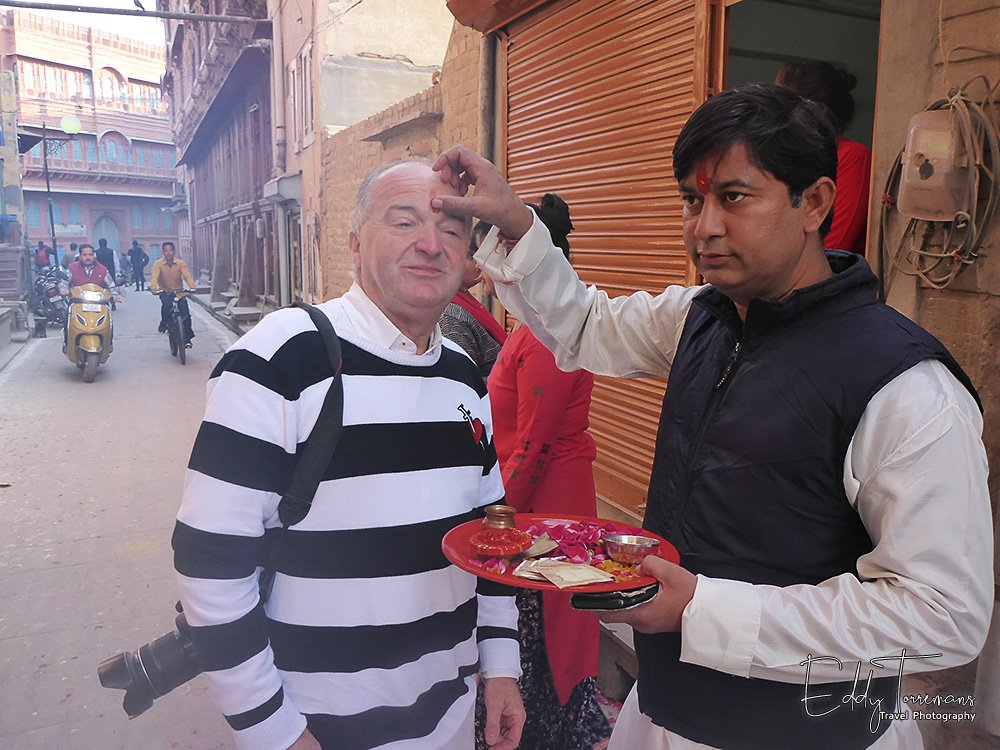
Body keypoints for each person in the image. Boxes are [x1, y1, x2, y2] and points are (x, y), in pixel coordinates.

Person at [431, 84, 993, 750]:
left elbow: (943, 616)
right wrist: (517, 223)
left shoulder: (904, 386)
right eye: (693, 201)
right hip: (666, 707)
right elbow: (585, 326)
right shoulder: (702, 319)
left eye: (735, 197)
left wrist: (703, 611)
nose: (705, 228)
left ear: (814, 202)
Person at [171, 158, 525, 750]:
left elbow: (493, 535)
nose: (430, 245)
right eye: (404, 222)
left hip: (451, 716)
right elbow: (210, 562)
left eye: (451, 230)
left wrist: (502, 667)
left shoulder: (464, 376)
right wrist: (272, 730)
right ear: (356, 245)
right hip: (319, 727)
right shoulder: (281, 358)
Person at [485, 192, 609, 750]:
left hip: (545, 511)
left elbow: (533, 446)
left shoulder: (545, 335)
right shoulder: (532, 325)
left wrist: (496, 523)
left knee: (545, 638)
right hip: (536, 504)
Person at [776, 60, 872, 254]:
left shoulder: (852, 157)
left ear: (820, 112)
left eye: (787, 110)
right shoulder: (781, 158)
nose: (776, 118)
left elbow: (833, 246)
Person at [440, 220, 508, 377]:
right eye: (471, 256)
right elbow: (461, 379)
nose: (479, 264)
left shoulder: (465, 302)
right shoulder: (450, 316)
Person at [149, 241, 196, 347]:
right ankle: (164, 322)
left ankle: (187, 339)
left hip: (179, 292)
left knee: (186, 314)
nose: (168, 253)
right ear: (163, 252)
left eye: (170, 250)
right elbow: (155, 277)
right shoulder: (158, 264)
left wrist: (192, 287)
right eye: (166, 250)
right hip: (165, 292)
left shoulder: (180, 263)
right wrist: (153, 288)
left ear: (174, 251)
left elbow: (187, 276)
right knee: (167, 306)